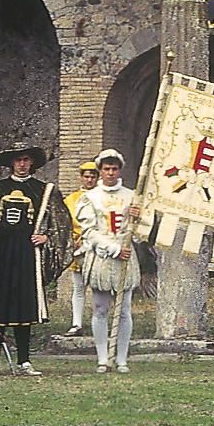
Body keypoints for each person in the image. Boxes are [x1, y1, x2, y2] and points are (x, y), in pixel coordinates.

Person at [0, 144, 73, 375]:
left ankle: (24, 361)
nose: (22, 164)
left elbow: (62, 226)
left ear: (32, 162)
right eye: (18, 160)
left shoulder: (46, 190)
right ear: (11, 162)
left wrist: (46, 237)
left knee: (24, 309)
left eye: (26, 160)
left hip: (27, 256)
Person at [76, 149, 140, 373]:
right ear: (100, 171)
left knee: (124, 310)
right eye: (106, 169)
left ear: (119, 170)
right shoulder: (90, 197)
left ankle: (122, 359)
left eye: (114, 168)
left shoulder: (132, 195)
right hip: (103, 258)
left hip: (126, 258)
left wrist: (138, 218)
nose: (110, 173)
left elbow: (141, 234)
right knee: (101, 309)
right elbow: (89, 232)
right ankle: (103, 358)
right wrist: (113, 249)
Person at [62, 159, 100, 337]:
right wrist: (71, 240)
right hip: (79, 247)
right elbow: (64, 222)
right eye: (87, 177)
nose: (90, 180)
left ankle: (99, 322)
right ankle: (76, 323)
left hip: (99, 248)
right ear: (81, 178)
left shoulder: (103, 197)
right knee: (79, 287)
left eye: (93, 176)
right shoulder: (71, 199)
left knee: (100, 287)